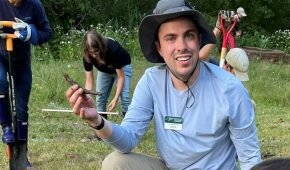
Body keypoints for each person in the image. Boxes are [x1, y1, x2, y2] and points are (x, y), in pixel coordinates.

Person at [66, 0, 261, 169]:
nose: (181, 46)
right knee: (115, 163)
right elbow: (126, 141)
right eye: (170, 38)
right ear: (159, 47)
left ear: (199, 41)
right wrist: (96, 120)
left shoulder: (229, 88)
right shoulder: (152, 81)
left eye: (189, 35)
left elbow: (250, 157)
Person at [0, 0, 52, 168]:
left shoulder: (34, 5)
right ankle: (6, 127)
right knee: (0, 82)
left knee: (22, 107)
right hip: (0, 56)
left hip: (21, 61)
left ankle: (22, 152)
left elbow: (47, 32)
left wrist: (31, 32)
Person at [82, 30, 132, 118]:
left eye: (96, 51)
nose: (94, 55)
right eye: (91, 52)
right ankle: (102, 129)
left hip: (122, 67)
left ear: (100, 46)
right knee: (100, 98)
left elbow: (120, 77)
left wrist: (115, 98)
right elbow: (89, 79)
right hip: (104, 70)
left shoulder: (113, 49)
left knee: (124, 99)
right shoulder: (87, 56)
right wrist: (87, 97)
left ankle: (130, 127)